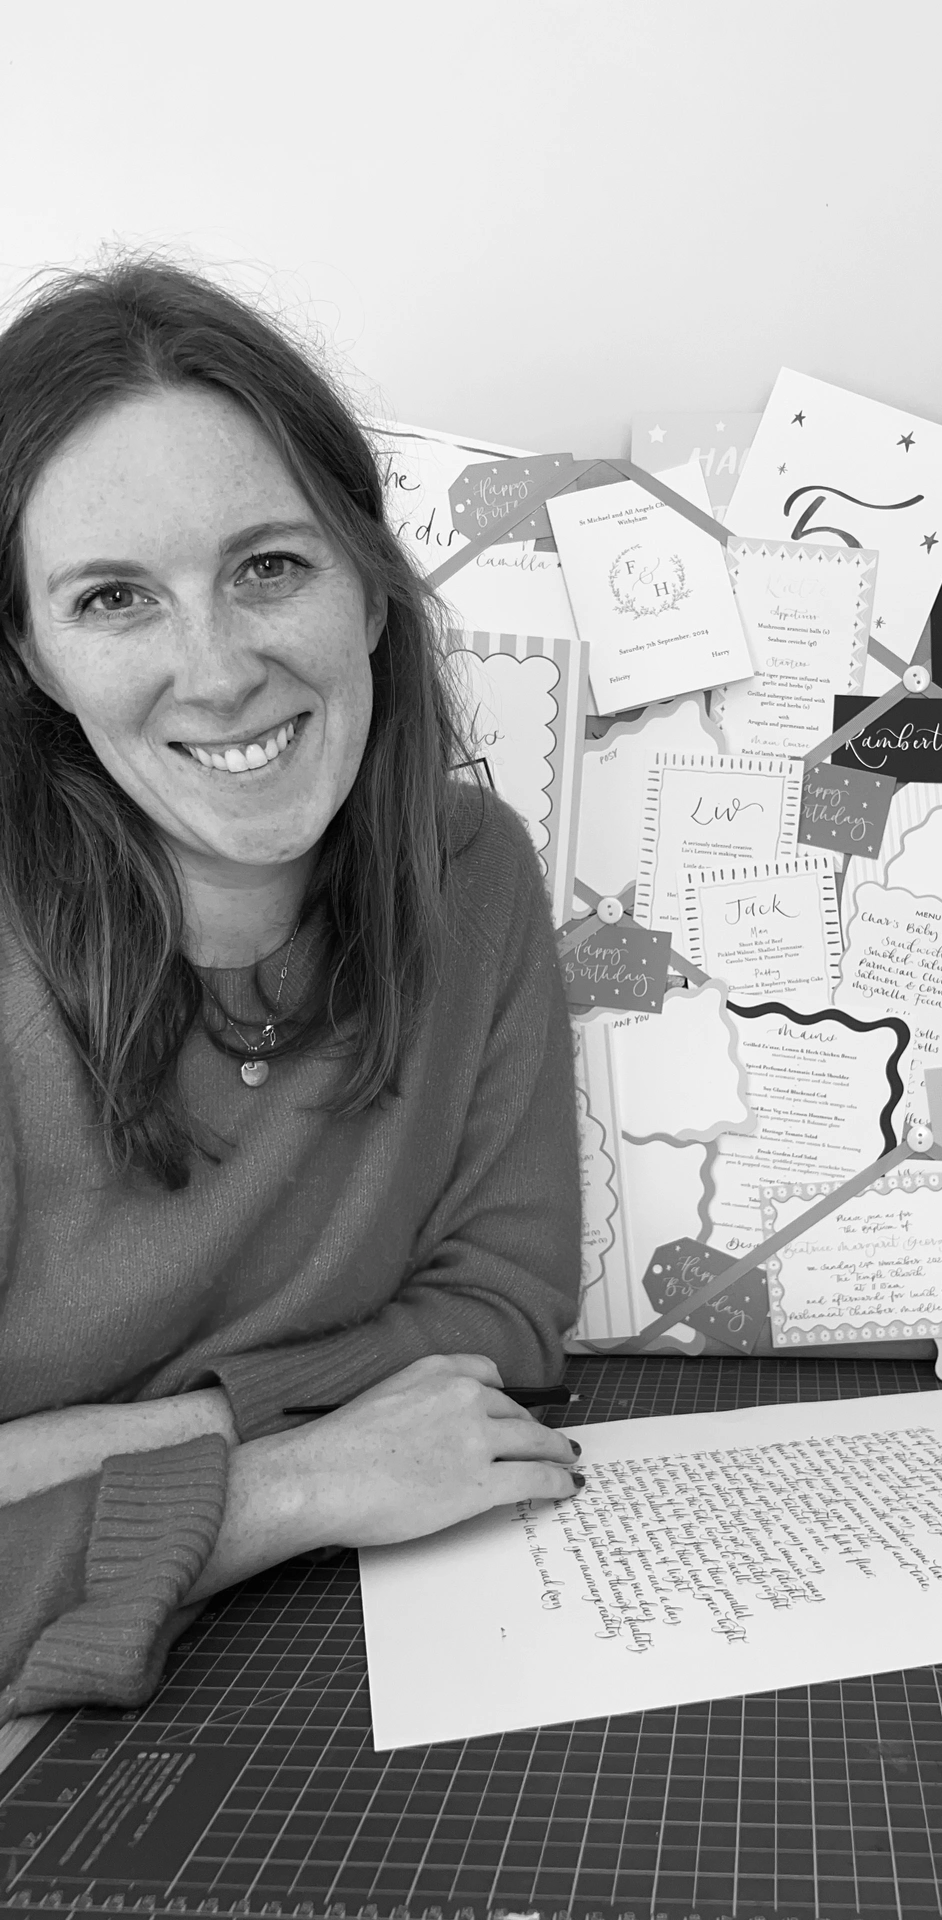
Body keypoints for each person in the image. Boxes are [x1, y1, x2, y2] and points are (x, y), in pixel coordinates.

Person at [0, 260, 584, 1720]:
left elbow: (503, 1307)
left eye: (270, 566)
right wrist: (283, 1483)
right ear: (31, 656)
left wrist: (141, 1434)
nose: (217, 671)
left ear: (370, 589)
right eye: (115, 598)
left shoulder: (472, 875)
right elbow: (413, 1386)